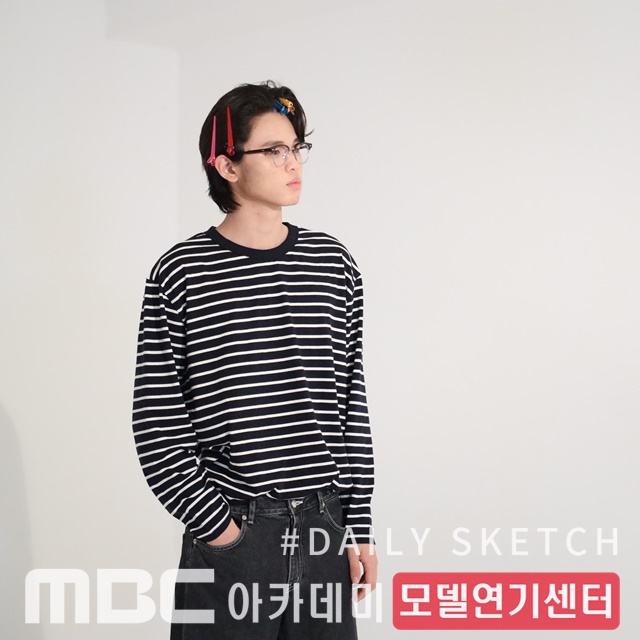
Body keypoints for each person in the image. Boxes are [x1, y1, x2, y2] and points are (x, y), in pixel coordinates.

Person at [132, 80, 376, 639]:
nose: (293, 162)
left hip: (324, 527)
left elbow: (349, 404)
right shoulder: (182, 272)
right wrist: (222, 531)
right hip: (236, 530)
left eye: (297, 147)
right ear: (227, 165)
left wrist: (357, 525)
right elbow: (156, 421)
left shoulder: (333, 263)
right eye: (274, 150)